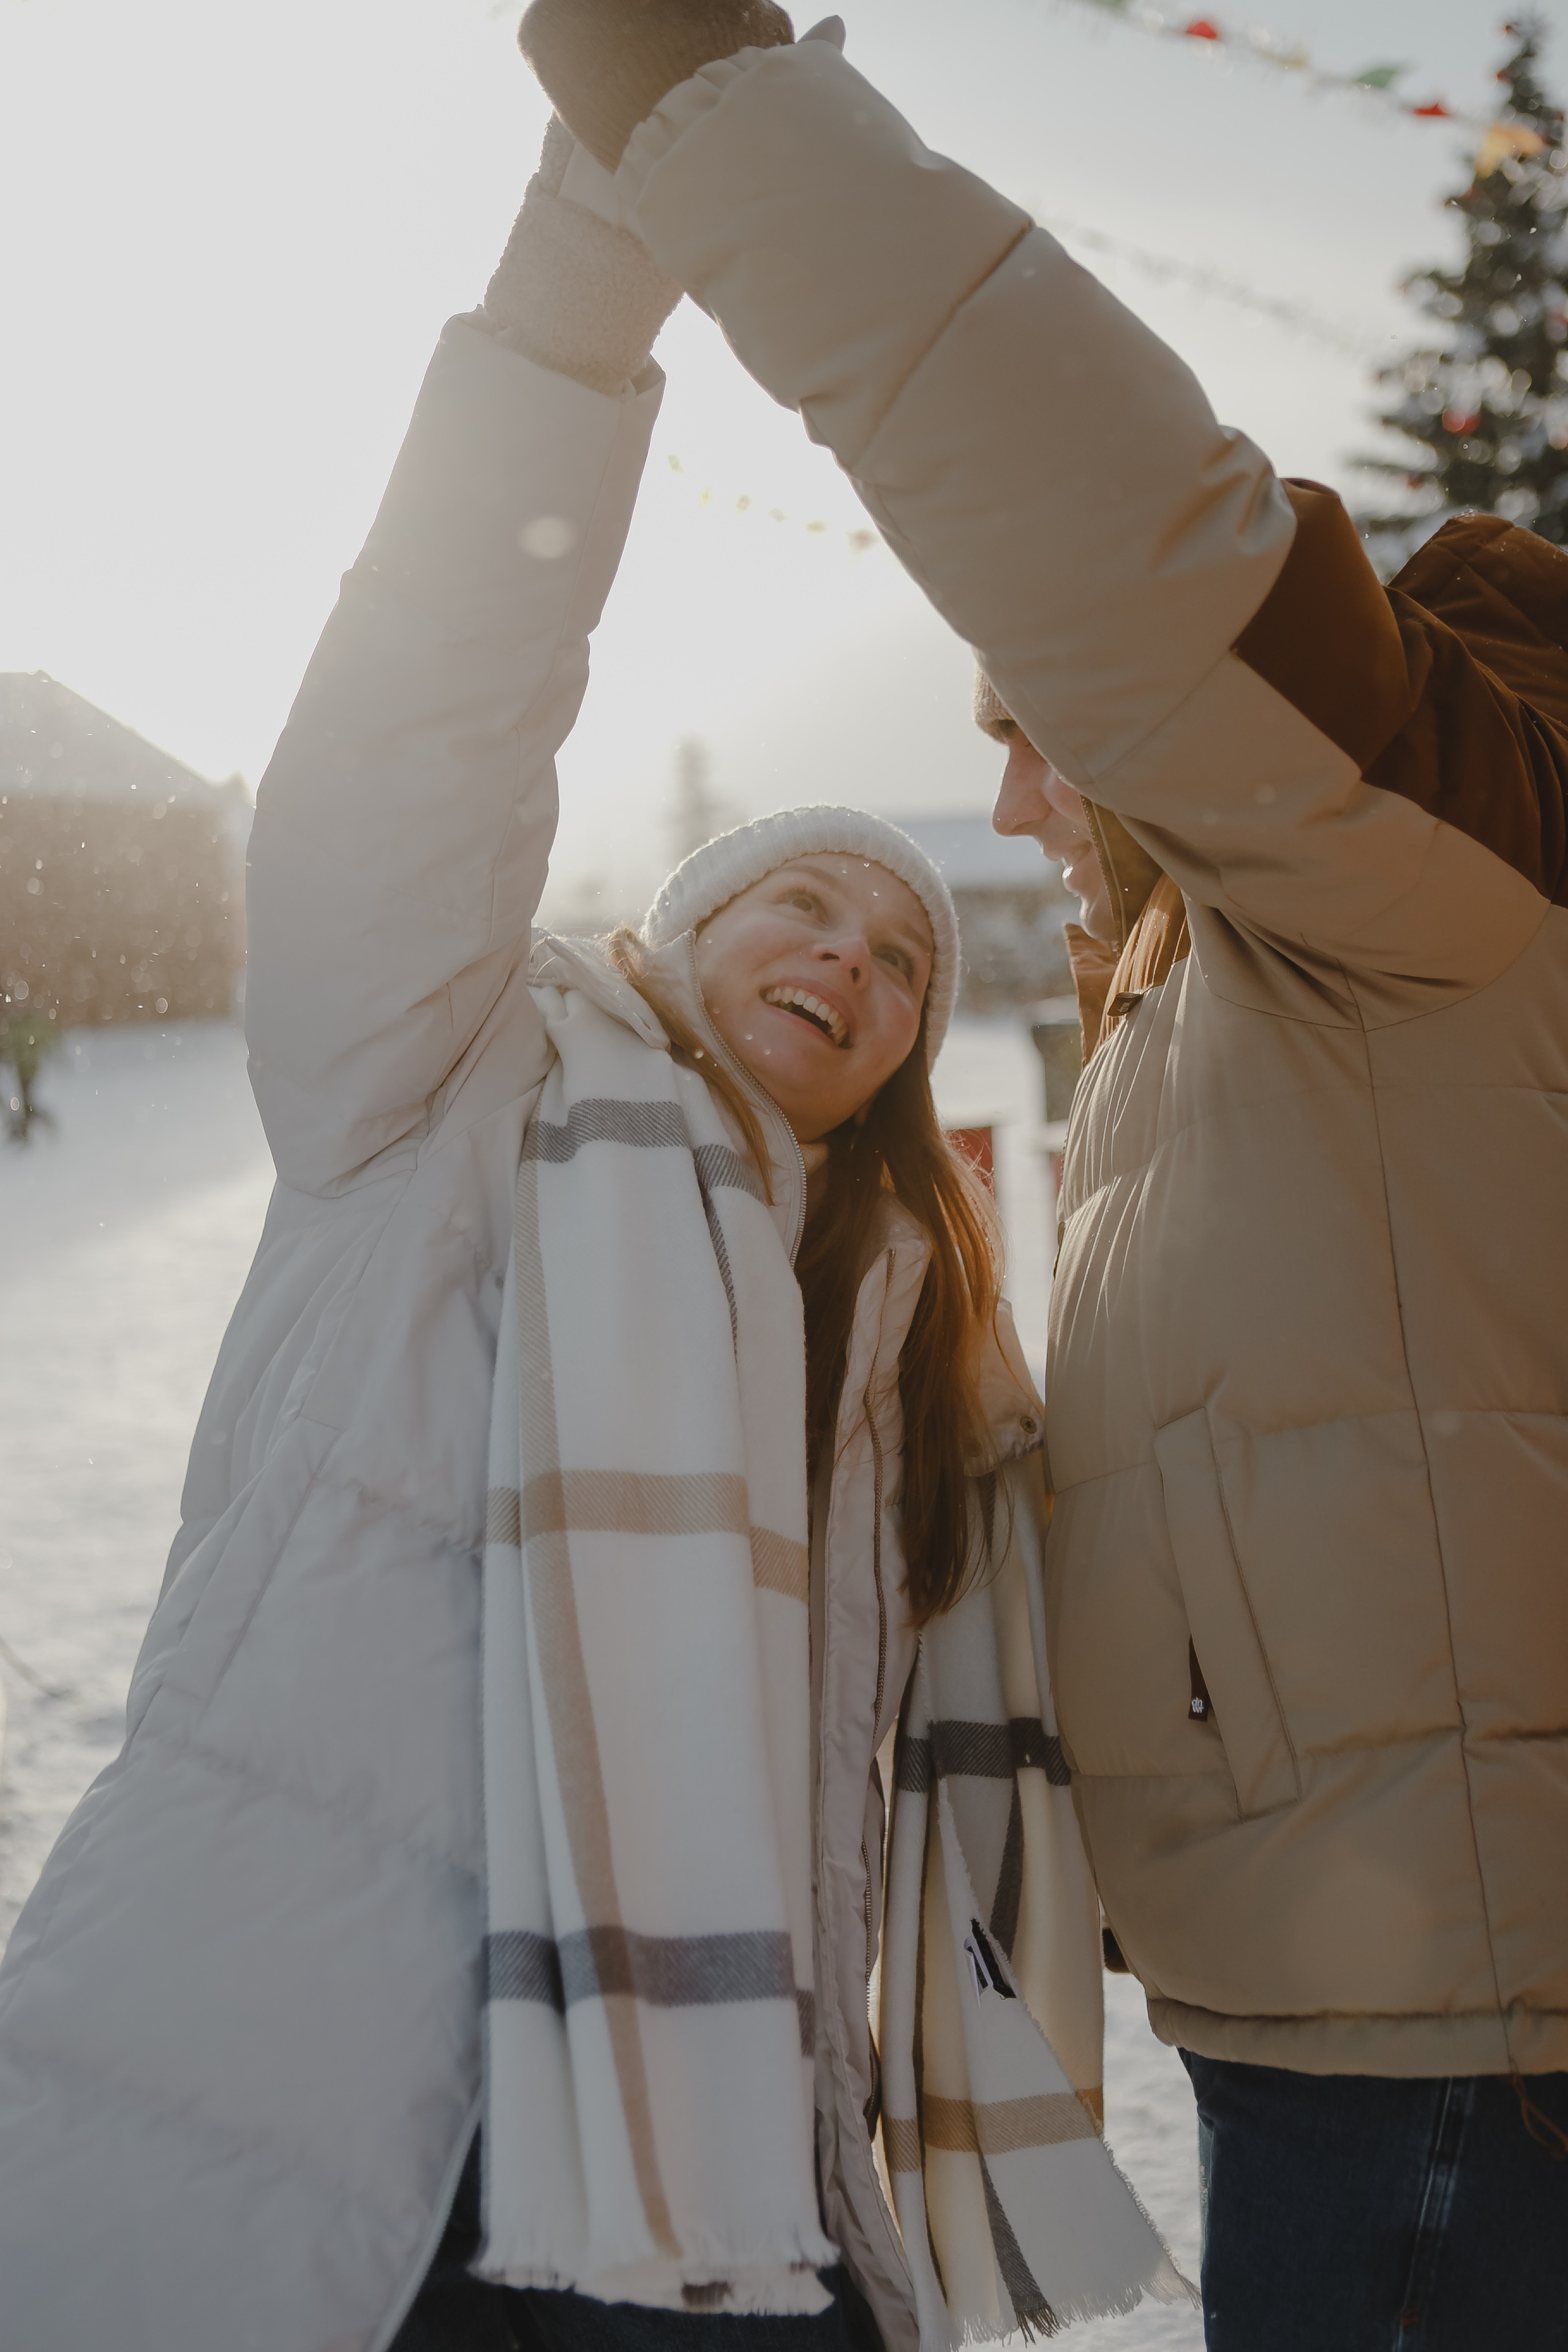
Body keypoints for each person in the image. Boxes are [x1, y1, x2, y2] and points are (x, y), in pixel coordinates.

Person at [0, 73, 1186, 2352]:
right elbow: (423, 727)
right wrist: (580, 297)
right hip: (326, 2061)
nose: (851, 956)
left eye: (904, 960)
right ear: (679, 936)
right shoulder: (439, 1076)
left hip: (704, 2113)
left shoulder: (888, 1295)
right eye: (807, 907)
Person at [514, 5, 1568, 2347]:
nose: (1012, 806)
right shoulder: (1273, 1011)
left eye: (1038, 733)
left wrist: (695, 99)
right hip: (1361, 2021)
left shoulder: (1438, 878)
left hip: (1461, 2065)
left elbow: (1101, 518)